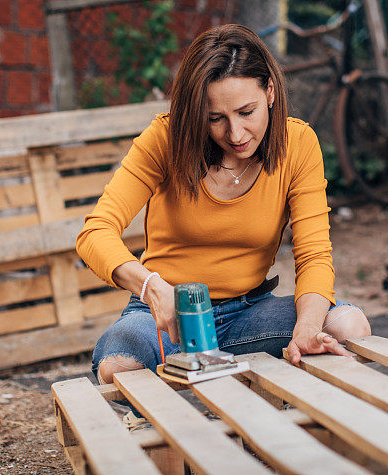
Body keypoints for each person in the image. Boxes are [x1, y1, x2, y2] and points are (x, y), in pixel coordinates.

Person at [76, 24, 371, 386]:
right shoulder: (165, 140)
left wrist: (306, 329)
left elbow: (313, 255)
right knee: (121, 365)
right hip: (168, 317)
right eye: (215, 118)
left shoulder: (298, 143)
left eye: (247, 112)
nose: (235, 134)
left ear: (270, 91)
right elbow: (95, 232)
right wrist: (151, 287)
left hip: (249, 313)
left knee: (349, 326)